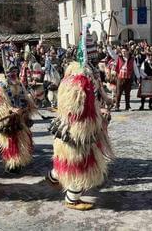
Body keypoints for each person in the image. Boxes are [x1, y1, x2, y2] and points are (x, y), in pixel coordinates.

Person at [46, 24, 113, 210]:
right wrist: (98, 112)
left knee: (69, 162)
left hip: (86, 128)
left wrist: (103, 102)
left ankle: (53, 176)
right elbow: (76, 109)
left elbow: (96, 92)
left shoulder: (87, 75)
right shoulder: (77, 81)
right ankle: (72, 199)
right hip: (78, 132)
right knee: (79, 164)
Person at [0, 45, 36, 174]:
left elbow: (24, 97)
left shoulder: (18, 84)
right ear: (6, 73)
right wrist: (10, 110)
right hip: (8, 121)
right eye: (11, 72)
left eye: (15, 71)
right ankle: (11, 163)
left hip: (21, 119)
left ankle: (20, 160)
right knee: (10, 142)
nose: (14, 74)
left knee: (23, 139)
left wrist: (28, 104)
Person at [108, 45, 140, 111]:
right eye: (122, 51)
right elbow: (112, 54)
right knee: (118, 92)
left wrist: (138, 77)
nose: (123, 53)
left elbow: (135, 68)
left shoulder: (132, 59)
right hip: (120, 78)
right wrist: (108, 47)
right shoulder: (118, 58)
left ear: (128, 52)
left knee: (127, 93)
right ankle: (117, 106)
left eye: (125, 51)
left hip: (128, 78)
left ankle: (127, 106)